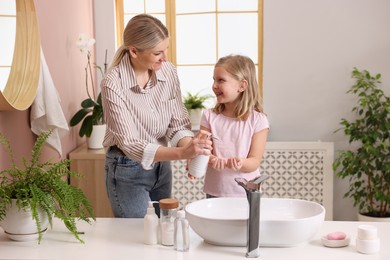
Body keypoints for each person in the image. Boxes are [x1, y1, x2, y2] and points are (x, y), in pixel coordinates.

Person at [101, 14, 212, 218]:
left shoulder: (167, 72)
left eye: (166, 50)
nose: (165, 58)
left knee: (165, 226)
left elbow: (177, 123)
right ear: (134, 51)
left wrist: (192, 146)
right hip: (127, 169)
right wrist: (181, 153)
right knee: (134, 236)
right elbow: (130, 143)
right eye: (157, 53)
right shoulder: (113, 82)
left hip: (161, 167)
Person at [191, 54, 269, 198]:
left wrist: (240, 163)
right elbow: (202, 150)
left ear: (242, 85)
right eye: (214, 80)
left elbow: (254, 161)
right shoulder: (209, 116)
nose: (214, 85)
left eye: (221, 80)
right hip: (215, 192)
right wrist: (212, 160)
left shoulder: (258, 120)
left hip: (247, 193)